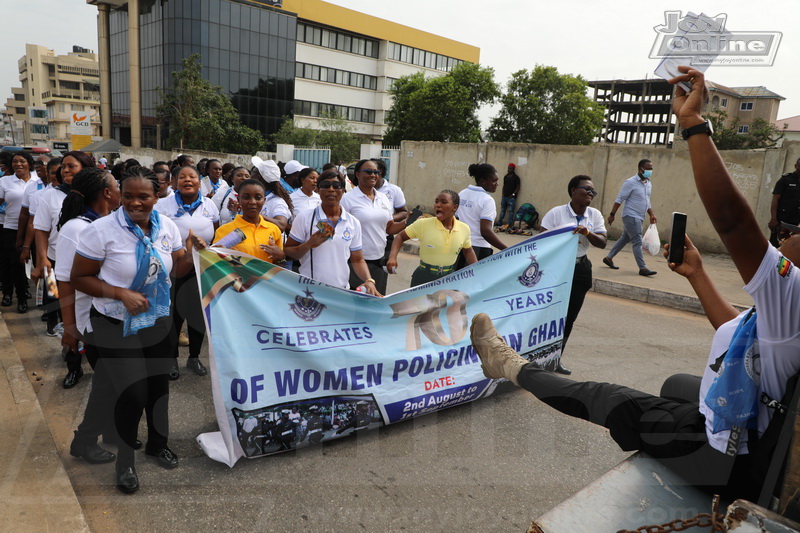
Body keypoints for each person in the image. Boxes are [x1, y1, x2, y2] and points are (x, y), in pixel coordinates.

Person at [469, 67, 800, 501]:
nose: (785, 234)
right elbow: (740, 331)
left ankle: (509, 366)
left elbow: (734, 221)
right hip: (757, 427)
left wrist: (692, 123)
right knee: (678, 384)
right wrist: (698, 275)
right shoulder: (782, 313)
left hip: (730, 459)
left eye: (794, 229)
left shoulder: (792, 291)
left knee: (605, 396)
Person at [71, 166, 205, 494]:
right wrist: (121, 294)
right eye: (128, 195)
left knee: (159, 388)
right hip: (114, 324)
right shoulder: (101, 231)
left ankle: (157, 445)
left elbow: (177, 268)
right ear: (118, 195)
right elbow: (79, 278)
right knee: (133, 392)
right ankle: (125, 461)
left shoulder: (167, 227)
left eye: (143, 196)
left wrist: (192, 253)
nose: (135, 202)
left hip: (157, 319)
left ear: (157, 196)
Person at [56, 167, 121, 394]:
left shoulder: (113, 223)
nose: (119, 189)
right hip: (91, 321)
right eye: (116, 185)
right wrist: (70, 328)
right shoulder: (76, 228)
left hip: (117, 318)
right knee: (112, 383)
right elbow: (64, 282)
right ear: (106, 193)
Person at [539, 175, 607, 375]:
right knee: (549, 315)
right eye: (586, 189)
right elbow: (542, 241)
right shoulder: (556, 213)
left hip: (580, 269)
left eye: (592, 191)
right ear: (572, 191)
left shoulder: (594, 215)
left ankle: (555, 360)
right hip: (557, 270)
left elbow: (602, 242)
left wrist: (587, 233)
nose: (590, 194)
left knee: (568, 318)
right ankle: (535, 358)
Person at [156, 165, 219, 379]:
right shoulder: (163, 205)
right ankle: (171, 358)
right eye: (182, 177)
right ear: (174, 182)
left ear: (199, 181)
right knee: (174, 316)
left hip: (203, 270)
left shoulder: (209, 205)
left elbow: (216, 233)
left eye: (192, 176)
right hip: (174, 269)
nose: (187, 180)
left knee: (198, 317)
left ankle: (194, 357)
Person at [285, 169, 379, 296]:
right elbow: (288, 254)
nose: (331, 189)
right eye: (325, 186)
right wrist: (309, 244)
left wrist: (369, 280)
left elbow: (357, 259)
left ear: (343, 191)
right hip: (309, 292)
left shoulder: (353, 222)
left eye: (336, 186)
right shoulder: (305, 217)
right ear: (317, 190)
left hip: (340, 293)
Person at [341, 159, 407, 295]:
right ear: (358, 174)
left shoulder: (383, 198)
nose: (373, 175)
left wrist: (407, 223)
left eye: (376, 172)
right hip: (355, 262)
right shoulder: (347, 199)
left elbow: (389, 228)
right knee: (357, 300)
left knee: (377, 299)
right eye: (368, 172)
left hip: (379, 260)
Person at [386, 190, 477, 287]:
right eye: (436, 202)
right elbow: (400, 237)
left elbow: (468, 251)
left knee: (444, 303)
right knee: (420, 303)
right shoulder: (423, 224)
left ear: (455, 207)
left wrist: (478, 269)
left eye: (443, 202)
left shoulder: (464, 228)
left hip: (448, 279)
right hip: (423, 277)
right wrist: (392, 257)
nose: (438, 205)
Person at [602, 159, 657, 276]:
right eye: (647, 169)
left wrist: (651, 214)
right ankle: (642, 268)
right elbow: (619, 199)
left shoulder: (648, 183)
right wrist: (612, 214)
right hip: (631, 215)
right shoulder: (630, 182)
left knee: (625, 238)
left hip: (640, 216)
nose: (650, 171)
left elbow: (647, 202)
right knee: (637, 241)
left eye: (651, 169)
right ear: (640, 169)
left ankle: (609, 258)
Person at [0, 151, 38, 312]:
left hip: (39, 231)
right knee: (15, 265)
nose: (18, 164)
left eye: (22, 161)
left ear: (29, 163)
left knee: (44, 267)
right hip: (12, 229)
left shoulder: (38, 181)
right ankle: (19, 297)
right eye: (15, 162)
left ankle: (50, 305)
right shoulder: (5, 181)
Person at [212, 178, 284, 263]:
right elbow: (215, 264)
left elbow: (278, 266)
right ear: (239, 200)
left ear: (264, 201)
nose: (252, 202)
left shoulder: (273, 229)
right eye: (246, 197)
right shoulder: (224, 231)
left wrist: (281, 257)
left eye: (258, 197)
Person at [454, 163, 508, 270]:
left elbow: (454, 220)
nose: (497, 184)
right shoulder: (487, 200)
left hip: (459, 246)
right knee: (474, 284)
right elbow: (485, 231)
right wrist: (506, 249)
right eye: (494, 181)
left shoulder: (462, 194)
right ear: (483, 181)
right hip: (478, 249)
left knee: (458, 283)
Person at [251, 157, 293, 233]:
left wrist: (254, 215)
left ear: (258, 177)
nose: (250, 175)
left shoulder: (276, 201)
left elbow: (281, 225)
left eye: (253, 171)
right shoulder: (251, 197)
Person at [769, 157, 800, 247]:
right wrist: (773, 218)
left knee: (791, 246)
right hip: (782, 220)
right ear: (795, 166)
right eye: (799, 166)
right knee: (776, 245)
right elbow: (775, 199)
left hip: (796, 221)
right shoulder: (785, 180)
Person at [496, 163, 521, 227]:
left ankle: (509, 224)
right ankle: (500, 222)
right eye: (508, 168)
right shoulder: (506, 176)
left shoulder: (516, 178)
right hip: (504, 196)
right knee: (502, 210)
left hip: (511, 198)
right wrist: (502, 193)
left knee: (511, 211)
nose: (509, 169)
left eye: (510, 168)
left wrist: (513, 194)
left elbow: (518, 187)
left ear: (513, 169)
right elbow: (504, 185)